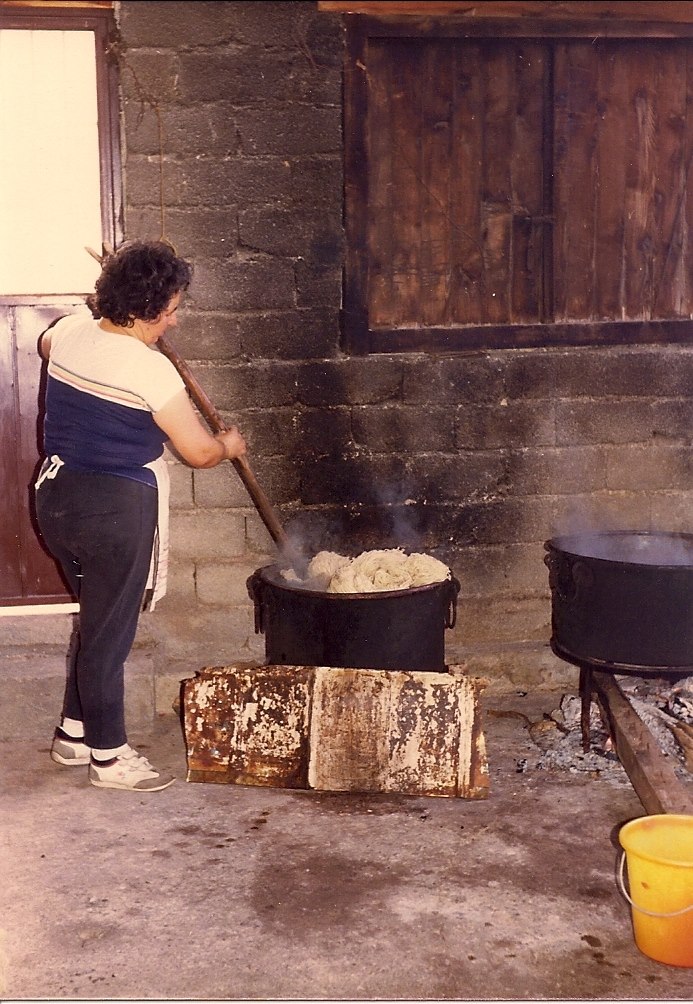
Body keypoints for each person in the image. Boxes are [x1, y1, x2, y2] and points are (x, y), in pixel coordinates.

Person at [34, 239, 246, 793]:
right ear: (148, 309)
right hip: (116, 510)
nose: (174, 321)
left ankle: (74, 734)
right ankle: (109, 757)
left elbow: (44, 342)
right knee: (110, 632)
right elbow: (198, 452)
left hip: (56, 500)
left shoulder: (71, 330)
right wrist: (229, 444)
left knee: (96, 617)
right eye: (172, 310)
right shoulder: (152, 373)